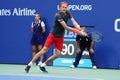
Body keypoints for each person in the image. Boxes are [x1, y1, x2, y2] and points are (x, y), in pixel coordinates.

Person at [25, 1, 86, 73]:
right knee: (44, 50)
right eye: (63, 7)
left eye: (65, 7)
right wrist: (78, 32)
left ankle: (43, 65)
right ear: (59, 8)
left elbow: (73, 21)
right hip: (52, 35)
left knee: (57, 55)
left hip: (60, 37)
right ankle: (29, 65)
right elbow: (65, 27)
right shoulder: (57, 15)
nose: (64, 8)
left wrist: (79, 28)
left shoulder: (68, 13)